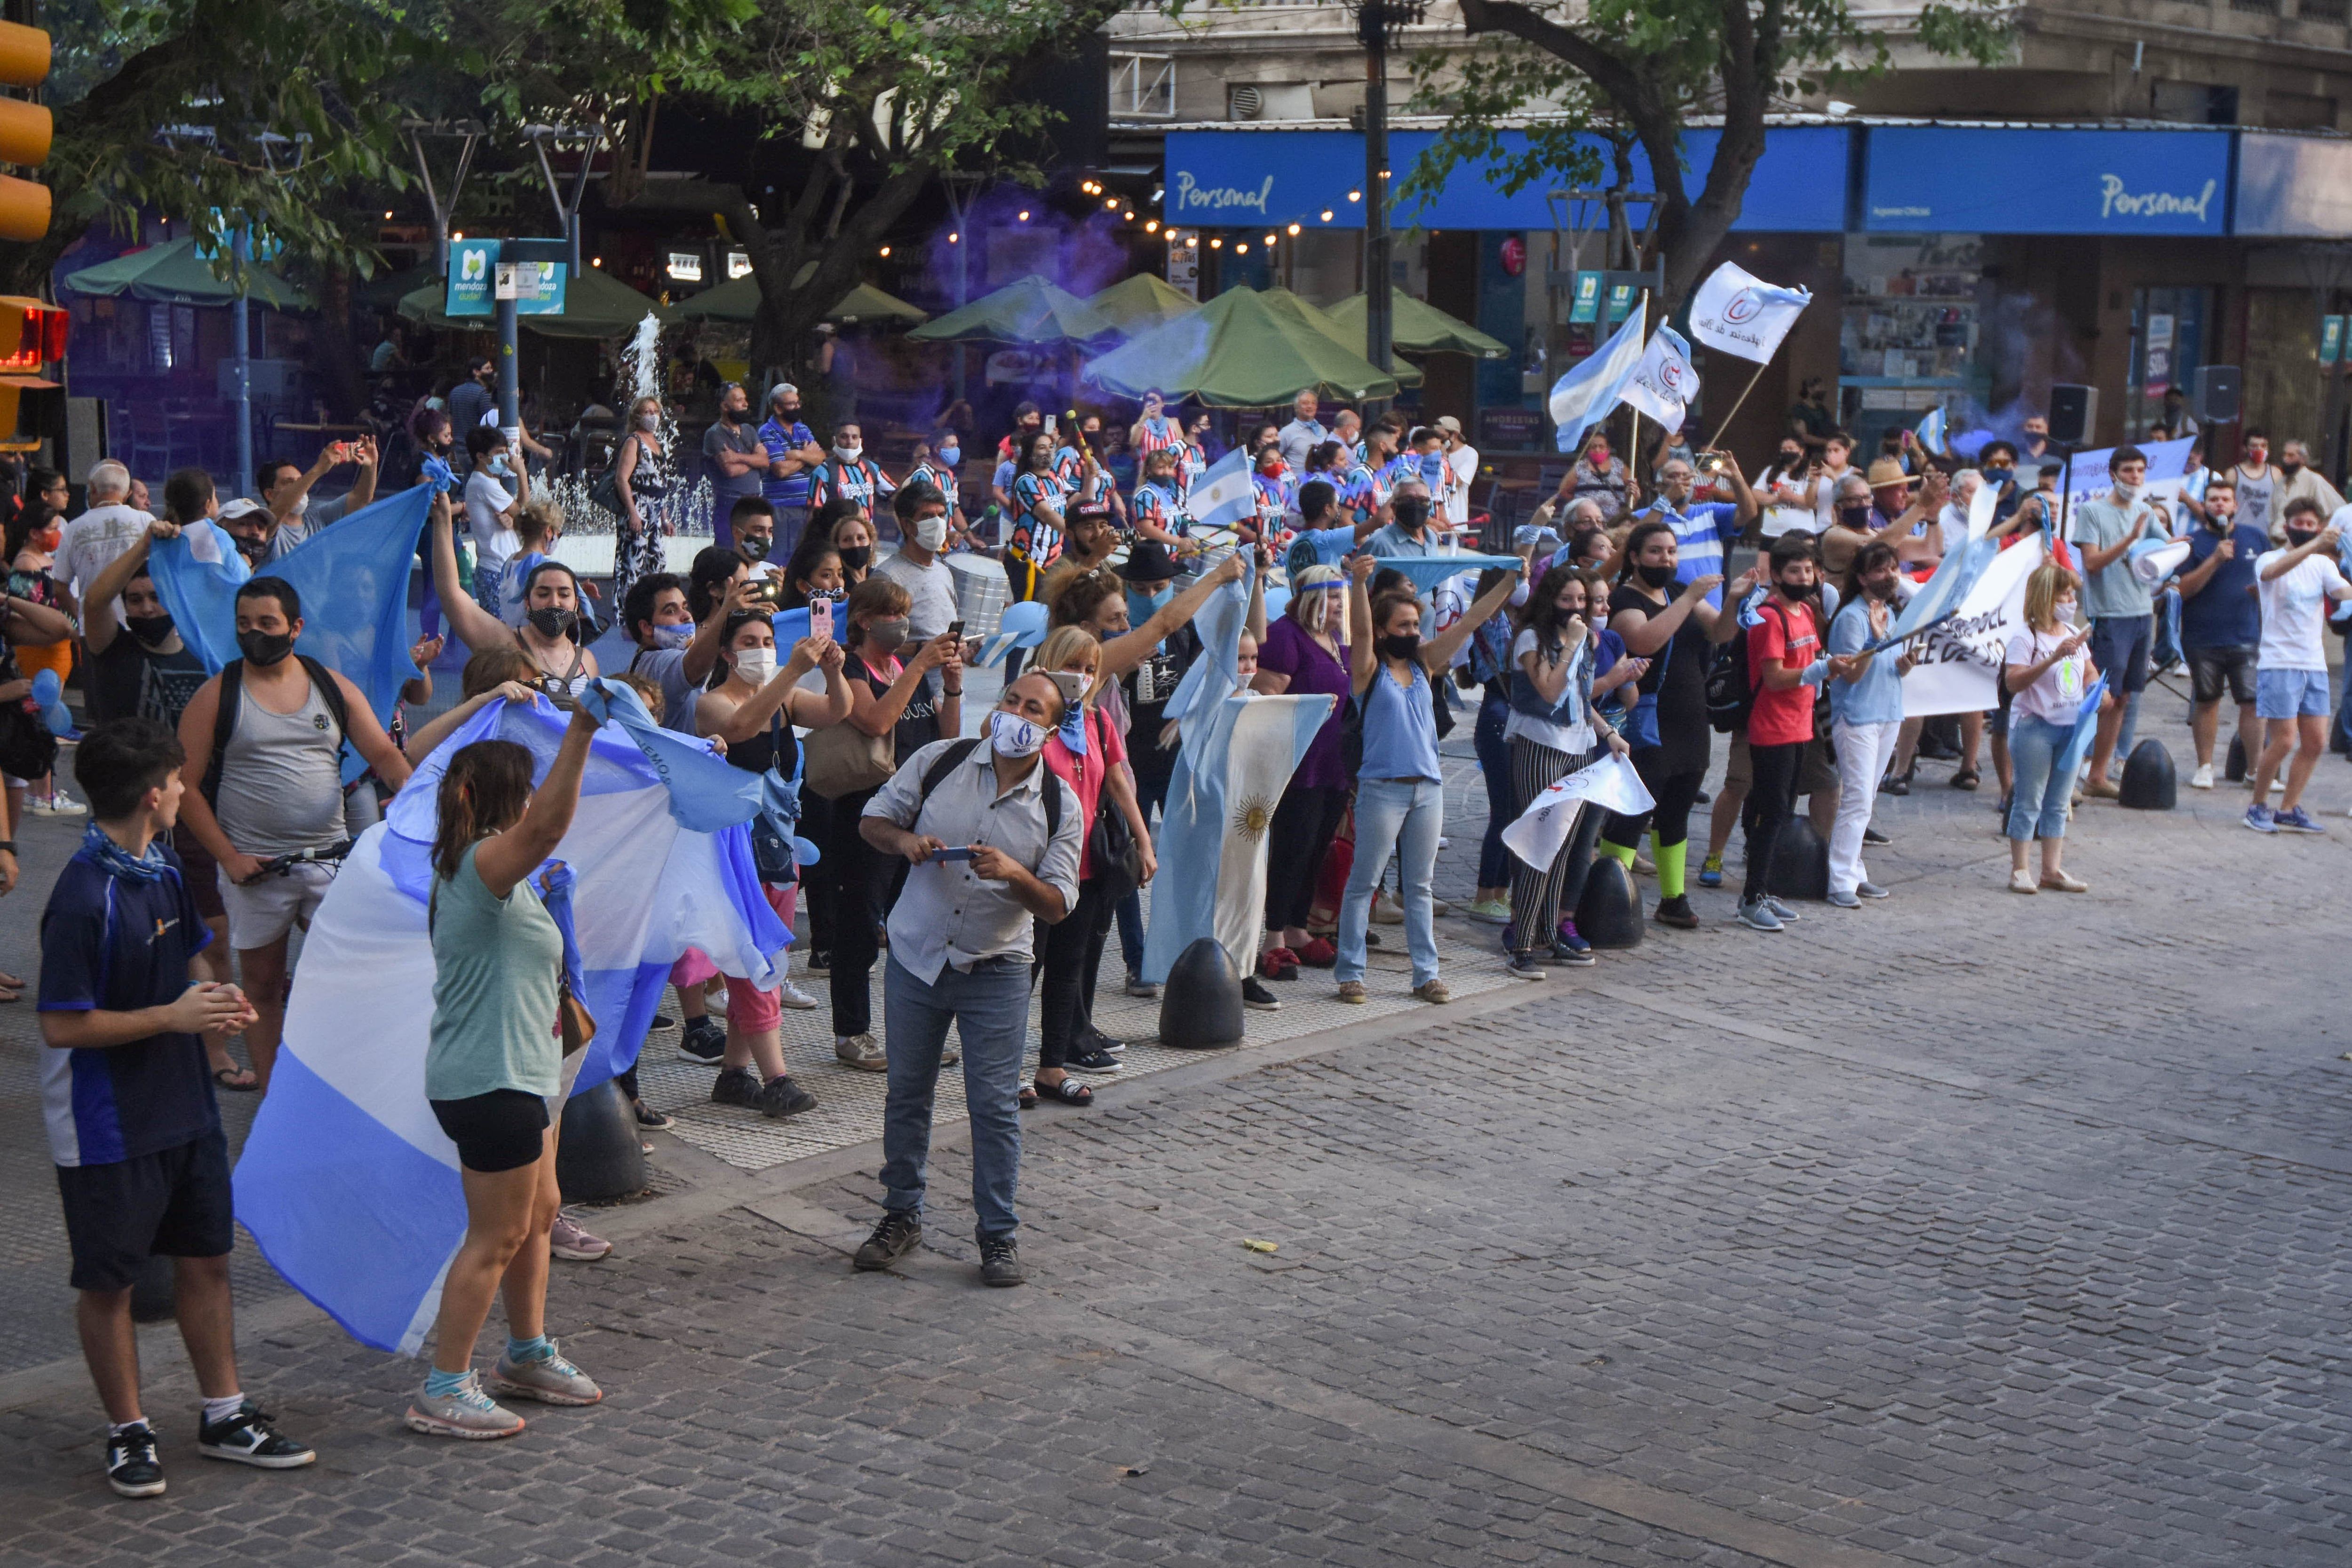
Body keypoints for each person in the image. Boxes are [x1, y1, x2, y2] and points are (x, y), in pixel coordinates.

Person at [40, 719, 318, 1495]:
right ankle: (129, 1429)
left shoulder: (158, 864)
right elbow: (61, 1023)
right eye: (180, 781)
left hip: (185, 1106)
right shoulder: (79, 896)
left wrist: (217, 994)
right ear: (153, 791)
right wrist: (173, 1018)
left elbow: (193, 947)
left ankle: (224, 1412)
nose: (186, 792)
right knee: (110, 1284)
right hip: (108, 1124)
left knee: (206, 1258)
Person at [405, 702, 609, 1439]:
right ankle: (444, 1386)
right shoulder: (480, 865)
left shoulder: (503, 874)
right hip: (490, 1081)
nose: (532, 804)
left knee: (540, 1214)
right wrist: (581, 731)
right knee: (495, 1236)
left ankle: (525, 1353)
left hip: (527, 1075)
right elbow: (548, 825)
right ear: (494, 801)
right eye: (522, 791)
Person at [853, 673, 1081, 1288]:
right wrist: (905, 841)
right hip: (918, 954)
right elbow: (872, 820)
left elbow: (1059, 903)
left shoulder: (1059, 802)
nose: (1016, 713)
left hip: (997, 964)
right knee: (908, 1093)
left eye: (1032, 708)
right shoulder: (939, 759)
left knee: (994, 1105)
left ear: (1051, 729)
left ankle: (997, 1234)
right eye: (1011, 700)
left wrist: (1014, 874)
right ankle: (900, 1214)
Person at [171, 578, 412, 1093]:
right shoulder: (218, 694)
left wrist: (416, 799)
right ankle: (272, 1098)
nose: (254, 633)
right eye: (244, 624)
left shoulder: (332, 687)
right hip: (256, 871)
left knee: (354, 977)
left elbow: (387, 757)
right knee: (260, 985)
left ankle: (346, 1085)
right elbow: (184, 788)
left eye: (266, 623)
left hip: (330, 862)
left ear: (295, 628)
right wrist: (230, 858)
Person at [1335, 553, 1518, 1004]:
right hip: (1381, 790)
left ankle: (1426, 974)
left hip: (1428, 790)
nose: (1414, 633)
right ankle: (1351, 974)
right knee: (1364, 884)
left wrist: (1511, 580)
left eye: (1416, 625)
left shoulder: (1424, 665)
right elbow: (1359, 633)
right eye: (1403, 627)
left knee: (1420, 887)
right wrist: (1358, 584)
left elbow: (1473, 619)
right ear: (1383, 631)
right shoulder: (1368, 672)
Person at [696, 611, 855, 1109]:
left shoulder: (784, 698)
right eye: (749, 642)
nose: (761, 649)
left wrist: (831, 669)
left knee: (767, 957)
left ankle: (734, 1073)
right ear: (726, 652)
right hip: (736, 850)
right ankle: (776, 1079)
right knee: (752, 960)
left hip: (780, 847)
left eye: (767, 640)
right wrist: (790, 669)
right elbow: (740, 727)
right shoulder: (712, 703)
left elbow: (836, 710)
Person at [804, 577, 960, 1071]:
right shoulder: (852, 666)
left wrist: (952, 685)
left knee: (915, 926)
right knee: (860, 925)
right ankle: (851, 1032)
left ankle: (913, 1031)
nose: (903, 624)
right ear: (867, 619)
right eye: (894, 614)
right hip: (867, 811)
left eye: (907, 613)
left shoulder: (898, 665)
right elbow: (873, 721)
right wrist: (918, 666)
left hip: (915, 813)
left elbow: (945, 736)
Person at [1031, 625, 1155, 1097]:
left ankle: (1052, 1064)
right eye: (1070, 667)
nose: (1080, 677)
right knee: (1026, 966)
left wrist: (1144, 841)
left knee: (1069, 966)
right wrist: (1038, 702)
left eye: (1088, 669)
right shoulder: (1033, 714)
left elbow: (1120, 781)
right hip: (1039, 864)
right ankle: (999, 1063)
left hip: (1086, 863)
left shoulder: (1097, 721)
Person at [1500, 565, 1634, 978]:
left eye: (1583, 601)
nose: (1577, 609)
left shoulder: (1584, 641)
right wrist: (1573, 645)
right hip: (1540, 743)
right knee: (1540, 842)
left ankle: (1549, 929)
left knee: (1566, 843)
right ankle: (1521, 941)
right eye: (1568, 601)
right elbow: (1550, 690)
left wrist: (1607, 731)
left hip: (1579, 746)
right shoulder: (1532, 638)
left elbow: (1579, 696)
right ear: (1549, 601)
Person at [1598, 522, 1731, 931]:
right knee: (1635, 810)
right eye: (1656, 551)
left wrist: (1737, 601)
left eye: (1672, 551)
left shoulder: (1679, 593)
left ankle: (1673, 898)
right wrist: (1691, 597)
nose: (1667, 559)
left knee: (1677, 809)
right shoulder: (1625, 599)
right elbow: (1644, 642)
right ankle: (1608, 896)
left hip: (1690, 718)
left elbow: (1722, 632)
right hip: (1648, 720)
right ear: (1635, 557)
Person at [1735, 536, 1847, 932]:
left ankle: (1763, 889)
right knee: (1771, 813)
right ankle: (1751, 897)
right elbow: (1774, 676)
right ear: (1778, 575)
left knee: (1782, 811)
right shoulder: (1770, 617)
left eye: (1810, 570)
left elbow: (1810, 658)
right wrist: (1819, 671)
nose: (1806, 577)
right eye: (1796, 571)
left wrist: (1827, 668)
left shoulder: (1804, 612)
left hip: (1800, 725)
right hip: (1772, 727)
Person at [1254, 564, 1351, 971]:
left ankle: (1298, 925)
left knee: (1317, 848)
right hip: (1298, 763)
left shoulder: (1334, 640)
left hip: (1333, 761)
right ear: (1313, 597)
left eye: (1340, 598)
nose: (1338, 606)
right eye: (1332, 597)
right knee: (1292, 849)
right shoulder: (1284, 636)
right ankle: (1273, 933)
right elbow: (1265, 701)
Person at [429, 495, 602, 700]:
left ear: (575, 604)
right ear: (527, 601)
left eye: (564, 594)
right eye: (543, 593)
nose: (554, 602)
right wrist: (442, 521)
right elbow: (451, 593)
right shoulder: (507, 647)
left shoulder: (586, 661)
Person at [2245, 509, 2350, 834]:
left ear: (2318, 526)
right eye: (2299, 524)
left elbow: (2342, 591)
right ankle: (2257, 806)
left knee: (2316, 741)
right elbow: (2272, 573)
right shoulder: (2268, 558)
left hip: (2314, 664)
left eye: (2311, 525)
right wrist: (2317, 542)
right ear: (2286, 527)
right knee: (2284, 741)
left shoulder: (2323, 564)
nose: (2304, 529)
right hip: (2279, 663)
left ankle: (2288, 808)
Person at [1823, 542, 1916, 907]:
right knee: (1857, 798)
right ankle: (1840, 878)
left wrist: (1903, 665)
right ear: (1862, 577)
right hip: (1858, 716)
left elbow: (1887, 668)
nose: (1890, 575)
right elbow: (1852, 675)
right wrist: (1875, 640)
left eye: (1893, 568)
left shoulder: (1888, 613)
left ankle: (1854, 870)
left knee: (1868, 797)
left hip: (1887, 713)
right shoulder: (1852, 617)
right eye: (1880, 570)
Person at [2071, 445, 2162, 798]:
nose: (2135, 477)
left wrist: (2180, 547)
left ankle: (2098, 775)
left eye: (2140, 471)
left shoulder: (2145, 510)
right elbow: (2091, 564)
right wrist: (2129, 540)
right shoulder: (2093, 511)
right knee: (2100, 698)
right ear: (2113, 474)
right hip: (2110, 614)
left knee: (2123, 699)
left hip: (2142, 612)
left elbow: (2164, 551)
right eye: (2128, 471)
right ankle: (2069, 770)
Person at [2002, 565, 2097, 891]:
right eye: (2065, 595)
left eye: (2072, 594)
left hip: (2071, 726)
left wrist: (2099, 689)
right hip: (2035, 727)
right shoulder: (2025, 637)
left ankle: (2052, 869)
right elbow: (2014, 681)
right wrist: (2052, 659)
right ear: (2046, 598)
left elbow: (2088, 672)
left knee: (2059, 801)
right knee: (2029, 799)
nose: (2071, 600)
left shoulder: (2072, 631)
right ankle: (2020, 868)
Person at [2175, 475, 2263, 791]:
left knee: (2252, 703)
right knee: (2208, 701)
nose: (2220, 504)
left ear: (2236, 505)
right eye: (2213, 499)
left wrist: (2262, 595)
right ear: (2205, 505)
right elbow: (2182, 591)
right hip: (2203, 638)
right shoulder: (2191, 543)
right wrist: (2214, 560)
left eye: (2225, 499)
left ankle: (2256, 770)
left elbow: (2273, 579)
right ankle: (2205, 767)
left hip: (2246, 635)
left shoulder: (2256, 538)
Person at [8, 491, 78, 815]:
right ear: (35, 532)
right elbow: (29, 615)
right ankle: (43, 792)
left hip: (58, 648)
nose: (57, 534)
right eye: (52, 527)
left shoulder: (47, 559)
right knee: (41, 717)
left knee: (48, 715)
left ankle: (45, 790)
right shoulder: (26, 563)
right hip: (40, 651)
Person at [49, 459, 152, 618]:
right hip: (142, 623)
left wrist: (82, 618)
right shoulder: (146, 522)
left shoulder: (74, 529)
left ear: (93, 489)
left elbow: (60, 588)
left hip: (95, 632)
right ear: (128, 494)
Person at [255, 440, 379, 551]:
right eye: (289, 483)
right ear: (270, 495)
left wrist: (371, 465)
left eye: (300, 481)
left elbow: (361, 497)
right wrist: (320, 468)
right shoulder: (262, 528)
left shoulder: (319, 517)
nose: (300, 487)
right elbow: (280, 509)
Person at [757, 382, 825, 555]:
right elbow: (780, 470)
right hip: (781, 507)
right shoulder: (767, 432)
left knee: (805, 555)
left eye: (798, 403)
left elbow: (820, 457)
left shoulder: (803, 429)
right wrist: (806, 456)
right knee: (782, 556)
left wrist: (796, 454)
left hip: (809, 505)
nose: (797, 407)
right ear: (778, 408)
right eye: (792, 404)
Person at [700, 381, 766, 551]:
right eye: (739, 401)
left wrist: (737, 457)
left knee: (754, 551)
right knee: (728, 551)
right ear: (725, 406)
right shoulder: (715, 434)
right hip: (730, 503)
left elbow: (766, 461)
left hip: (754, 501)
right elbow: (730, 470)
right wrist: (754, 462)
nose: (745, 404)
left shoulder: (750, 430)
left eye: (745, 400)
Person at [807, 422, 896, 526]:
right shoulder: (823, 472)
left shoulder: (871, 468)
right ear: (834, 440)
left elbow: (894, 495)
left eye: (855, 437)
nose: (850, 442)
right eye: (844, 437)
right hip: (836, 538)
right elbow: (815, 513)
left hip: (867, 536)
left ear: (860, 441)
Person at [2276, 438, 2344, 521]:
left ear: (2303, 459)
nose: (2285, 459)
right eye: (2284, 455)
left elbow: (2339, 511)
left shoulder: (2314, 480)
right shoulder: (2280, 482)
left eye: (2291, 455)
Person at [1567, 431, 1629, 515]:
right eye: (1594, 447)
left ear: (1608, 448)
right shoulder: (1581, 466)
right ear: (1588, 449)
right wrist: (1579, 505)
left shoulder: (1619, 466)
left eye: (1601, 446)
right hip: (1588, 517)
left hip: (1615, 519)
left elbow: (1631, 487)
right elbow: (1565, 491)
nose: (1597, 450)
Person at [1438, 416, 1478, 532]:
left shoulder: (1470, 454)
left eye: (1441, 437)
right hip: (1437, 520)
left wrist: (1444, 458)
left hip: (1456, 520)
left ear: (1454, 435)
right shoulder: (1435, 452)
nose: (1439, 441)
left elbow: (1458, 481)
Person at [446, 356, 496, 445]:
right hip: (476, 447)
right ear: (476, 372)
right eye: (487, 368)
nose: (491, 371)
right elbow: (489, 423)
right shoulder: (483, 394)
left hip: (458, 446)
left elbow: (450, 420)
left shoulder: (455, 392)